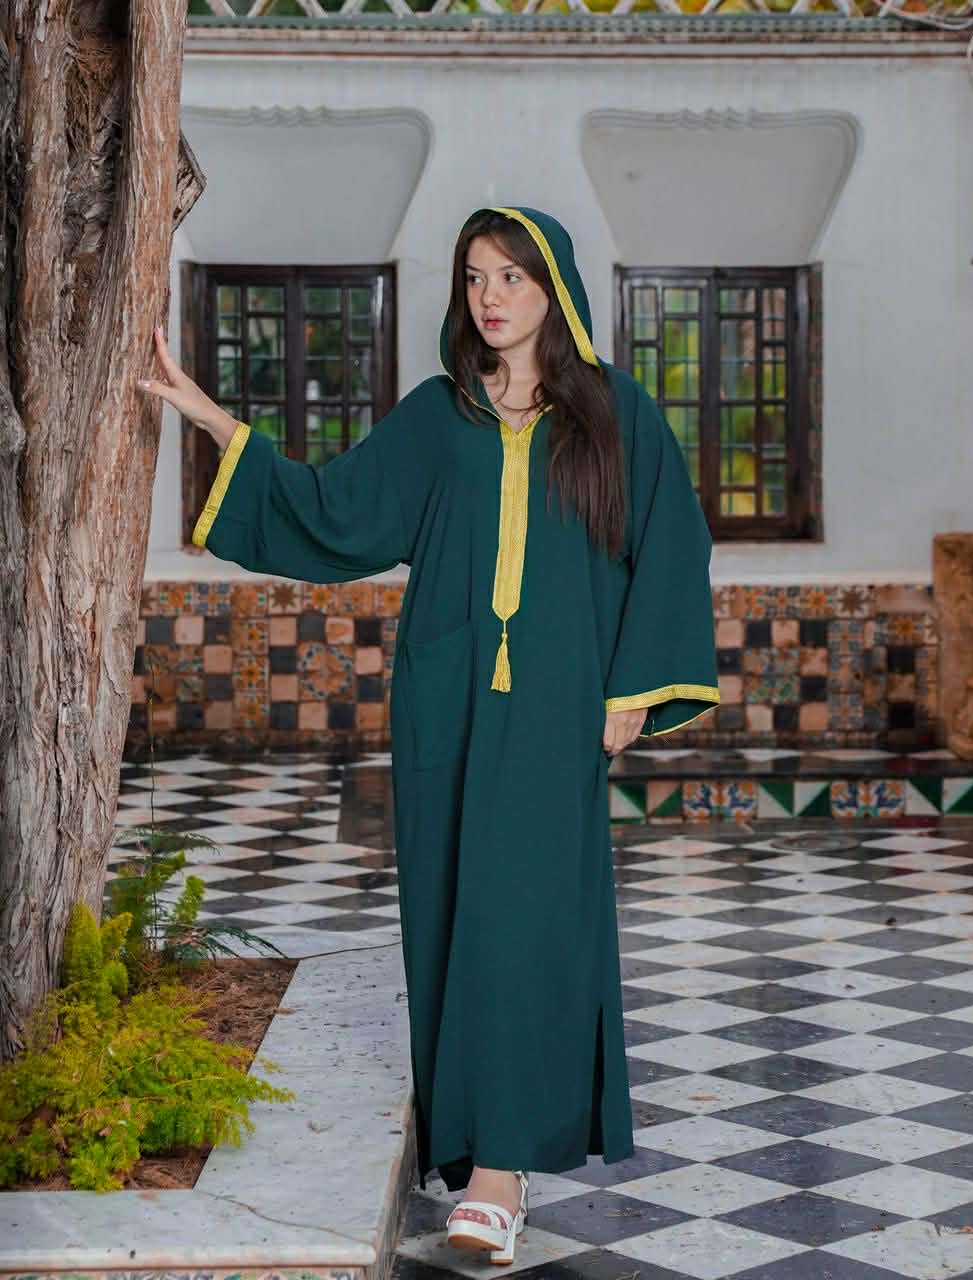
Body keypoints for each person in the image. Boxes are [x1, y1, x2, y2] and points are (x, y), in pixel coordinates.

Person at [139, 204, 720, 1266]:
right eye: (474, 276)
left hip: (556, 708)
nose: (489, 296)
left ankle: (503, 1164)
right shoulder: (437, 417)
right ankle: (479, 1146)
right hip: (443, 699)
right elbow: (335, 510)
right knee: (454, 912)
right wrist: (216, 420)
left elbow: (672, 548)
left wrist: (631, 690)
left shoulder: (616, 418)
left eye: (511, 276)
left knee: (529, 915)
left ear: (554, 288)